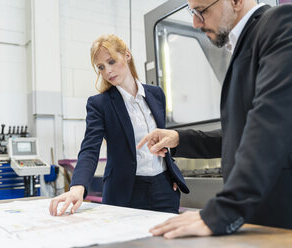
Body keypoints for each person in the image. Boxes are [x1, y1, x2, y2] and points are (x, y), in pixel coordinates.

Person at [137, 0, 292, 238]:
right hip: (260, 223)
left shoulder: (285, 24)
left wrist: (221, 212)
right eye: (192, 12)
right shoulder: (243, 45)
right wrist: (179, 139)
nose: (195, 23)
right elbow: (242, 131)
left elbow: (269, 126)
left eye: (201, 11)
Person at [49, 34, 189, 216]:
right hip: (125, 193)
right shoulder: (100, 104)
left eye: (111, 61)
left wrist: (170, 172)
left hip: (164, 189)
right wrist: (77, 187)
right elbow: (90, 149)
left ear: (127, 55)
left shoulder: (156, 94)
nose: (107, 71)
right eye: (101, 67)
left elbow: (164, 140)